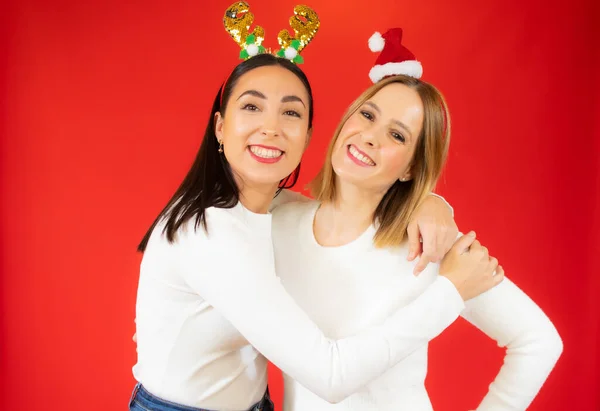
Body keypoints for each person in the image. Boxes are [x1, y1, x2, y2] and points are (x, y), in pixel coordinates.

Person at [128, 7, 503, 411]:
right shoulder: (209, 231)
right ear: (220, 126)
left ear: (307, 137)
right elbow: (330, 376)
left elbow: (337, 212)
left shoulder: (275, 210)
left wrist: (431, 201)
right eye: (252, 107)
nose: (271, 128)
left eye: (290, 112)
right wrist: (451, 294)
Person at [271, 28, 563, 411]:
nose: (370, 137)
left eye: (397, 135)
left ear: (411, 168)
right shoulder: (278, 219)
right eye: (368, 115)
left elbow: (538, 340)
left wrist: (432, 203)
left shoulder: (428, 244)